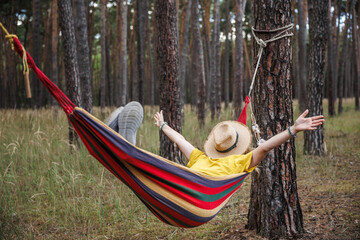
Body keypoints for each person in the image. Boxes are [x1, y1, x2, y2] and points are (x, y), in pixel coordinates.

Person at [154, 110, 324, 176]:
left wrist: (293, 129)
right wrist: (163, 125)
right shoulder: (237, 161)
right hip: (181, 182)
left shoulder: (237, 162)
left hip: (191, 187)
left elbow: (265, 147)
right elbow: (179, 139)